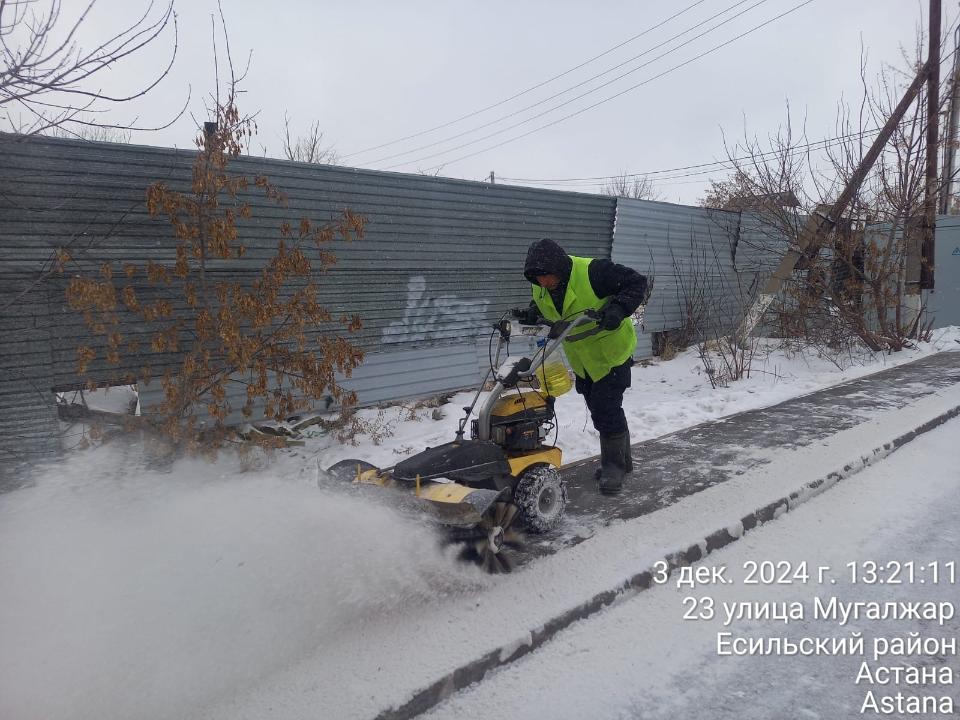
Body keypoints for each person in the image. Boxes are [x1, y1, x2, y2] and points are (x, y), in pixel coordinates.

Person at [513, 238, 648, 495]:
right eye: (537, 278)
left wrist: (618, 309)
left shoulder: (593, 272)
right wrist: (533, 312)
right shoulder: (541, 284)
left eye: (546, 276)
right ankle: (623, 461)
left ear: (559, 267)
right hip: (583, 360)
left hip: (611, 353)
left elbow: (636, 282)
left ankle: (614, 466)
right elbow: (546, 305)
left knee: (606, 409)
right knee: (598, 407)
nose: (543, 283)